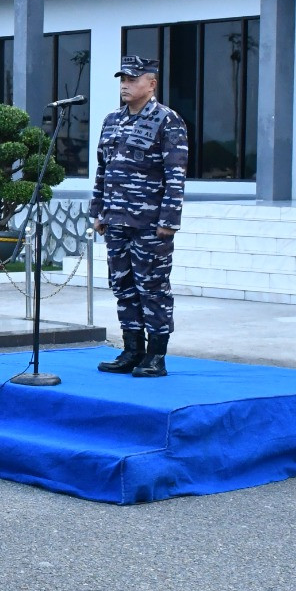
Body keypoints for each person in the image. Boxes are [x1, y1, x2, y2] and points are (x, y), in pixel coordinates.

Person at [90, 55, 189, 378]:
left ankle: (156, 355)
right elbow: (103, 171)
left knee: (153, 287)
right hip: (116, 220)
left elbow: (175, 175)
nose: (125, 85)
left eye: (132, 79)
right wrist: (99, 211)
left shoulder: (167, 121)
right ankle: (132, 349)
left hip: (150, 224)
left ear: (152, 83)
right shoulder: (111, 121)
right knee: (123, 286)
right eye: (123, 79)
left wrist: (168, 220)